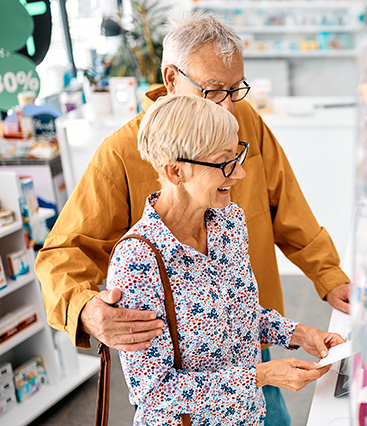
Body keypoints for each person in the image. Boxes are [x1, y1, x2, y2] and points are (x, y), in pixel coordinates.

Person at [36, 11, 350, 425]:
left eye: (236, 89)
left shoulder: (244, 124)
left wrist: (328, 278)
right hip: (188, 379)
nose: (230, 106)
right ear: (171, 79)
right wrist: (85, 309)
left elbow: (286, 204)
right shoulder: (120, 156)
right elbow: (63, 254)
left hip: (251, 343)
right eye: (215, 90)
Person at [107, 94, 342, 425]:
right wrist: (259, 376)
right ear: (175, 171)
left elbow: (239, 315)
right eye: (224, 163)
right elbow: (153, 391)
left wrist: (299, 334)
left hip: (250, 417)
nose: (240, 173)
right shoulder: (138, 260)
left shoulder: (229, 221)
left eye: (237, 156)